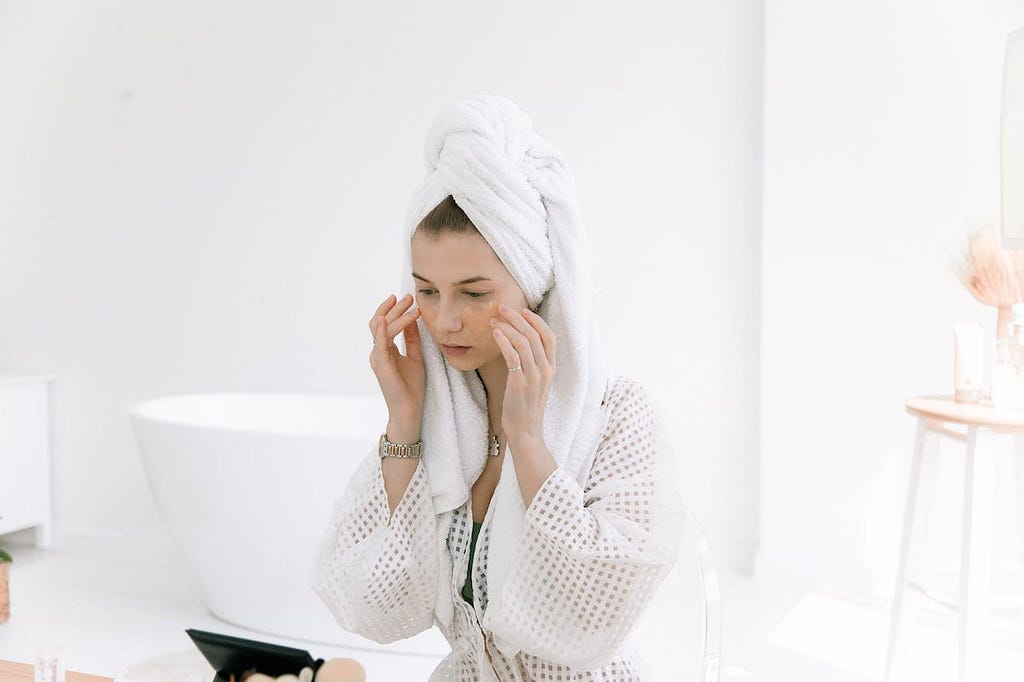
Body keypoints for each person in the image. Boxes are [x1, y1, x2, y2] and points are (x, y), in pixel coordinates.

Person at [309, 95, 686, 681]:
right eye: (427, 291)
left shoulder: (618, 413)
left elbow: (598, 609)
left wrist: (529, 441)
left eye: (475, 293)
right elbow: (370, 601)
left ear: (532, 285)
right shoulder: (441, 415)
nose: (445, 321)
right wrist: (404, 424)